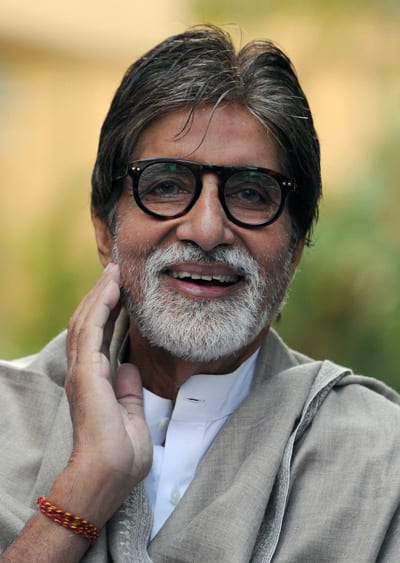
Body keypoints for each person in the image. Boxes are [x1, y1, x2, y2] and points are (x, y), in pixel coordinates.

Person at [0, 25, 399, 563]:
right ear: (103, 229)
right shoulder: (7, 418)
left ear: (297, 247)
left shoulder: (380, 462)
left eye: (252, 194)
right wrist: (81, 493)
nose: (208, 229)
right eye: (166, 185)